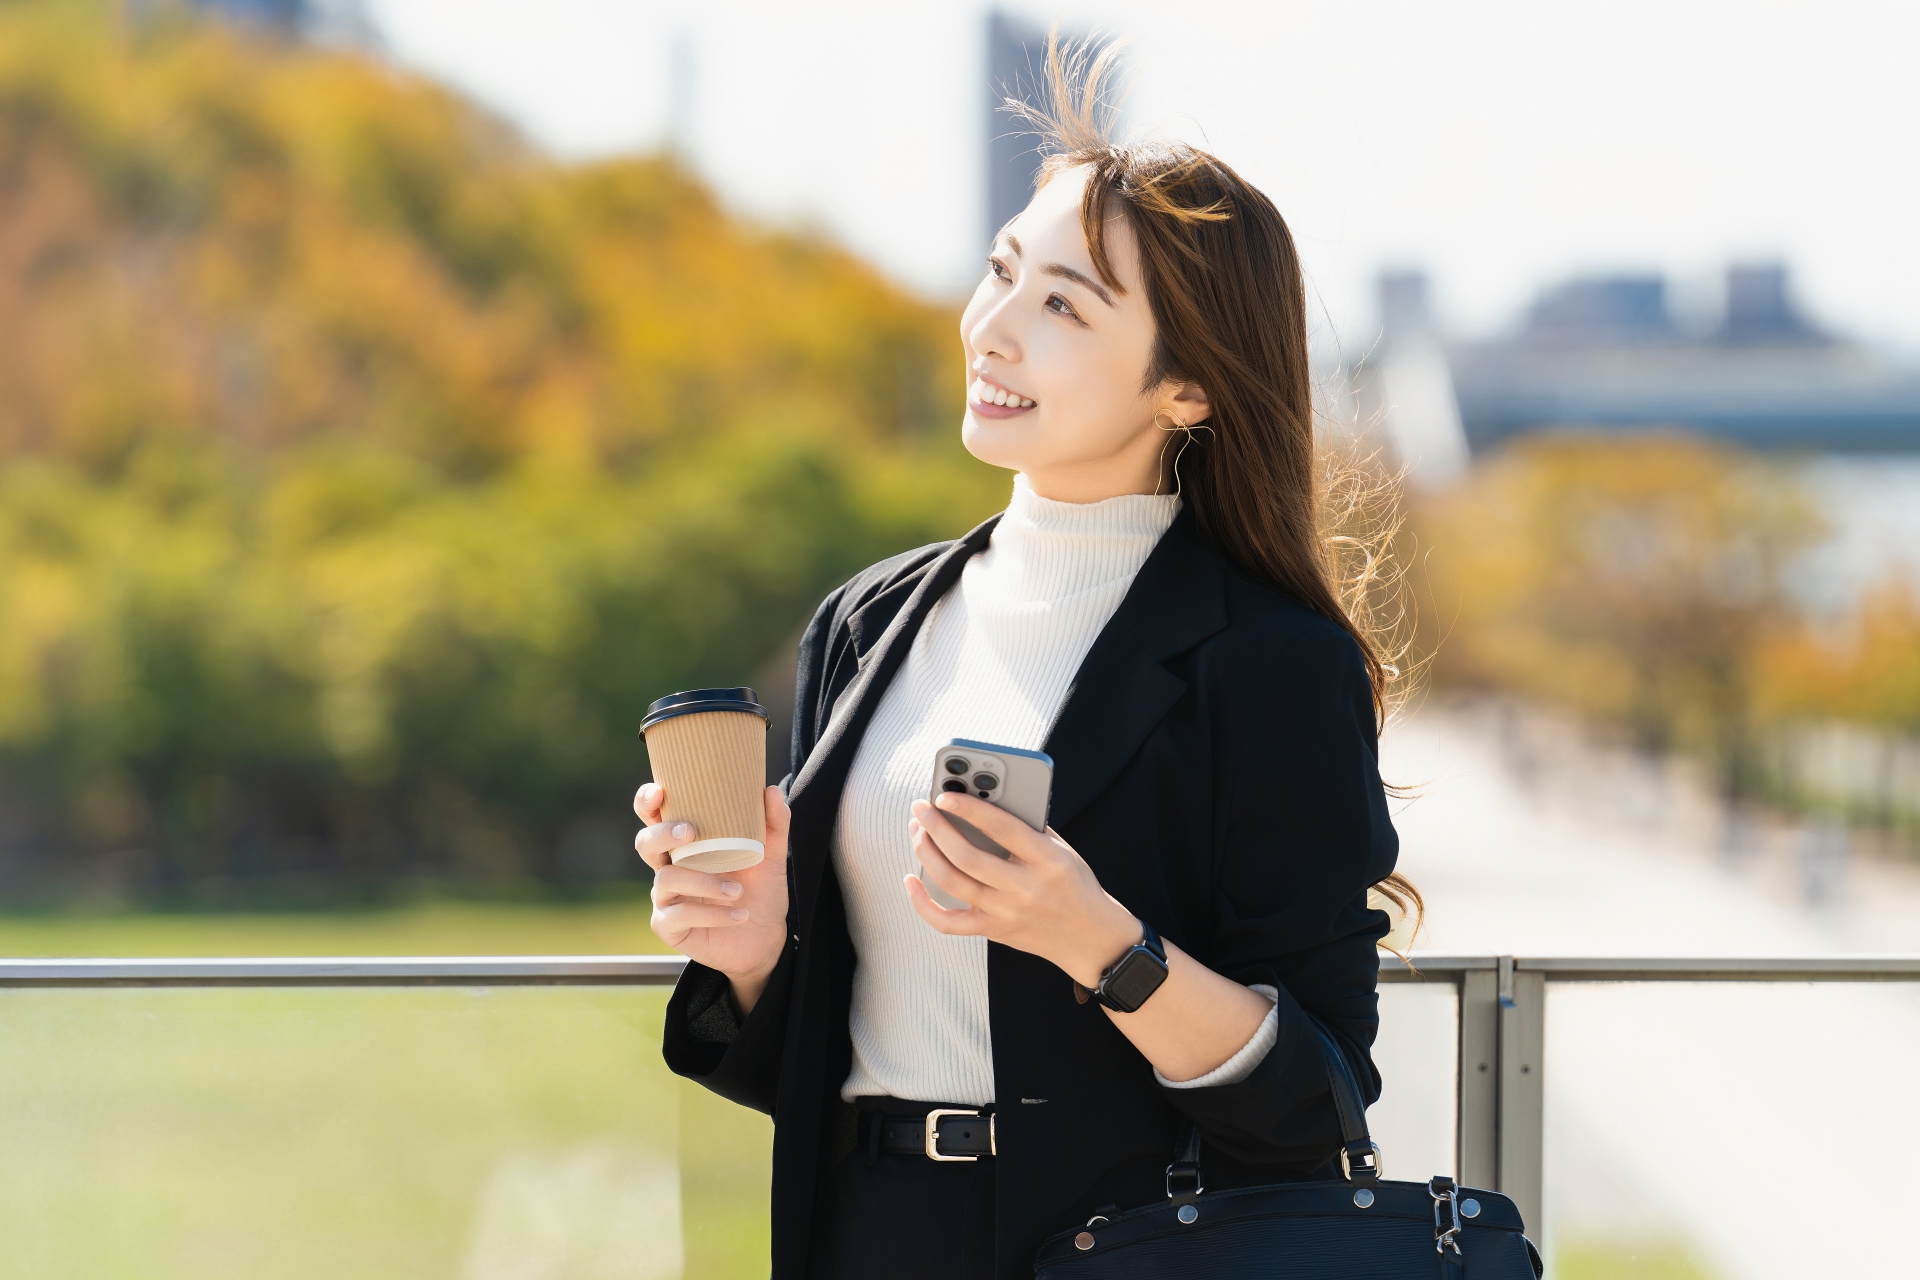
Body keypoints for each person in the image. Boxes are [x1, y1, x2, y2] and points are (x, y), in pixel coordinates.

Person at [636, 44, 1413, 1280]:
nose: (990, 329)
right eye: (1003, 271)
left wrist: (1099, 940)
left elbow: (1318, 1099)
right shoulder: (869, 620)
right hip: (861, 1235)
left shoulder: (1271, 662)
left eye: (1063, 304)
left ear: (1193, 387)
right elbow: (820, 1050)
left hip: (1120, 1249)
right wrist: (746, 948)